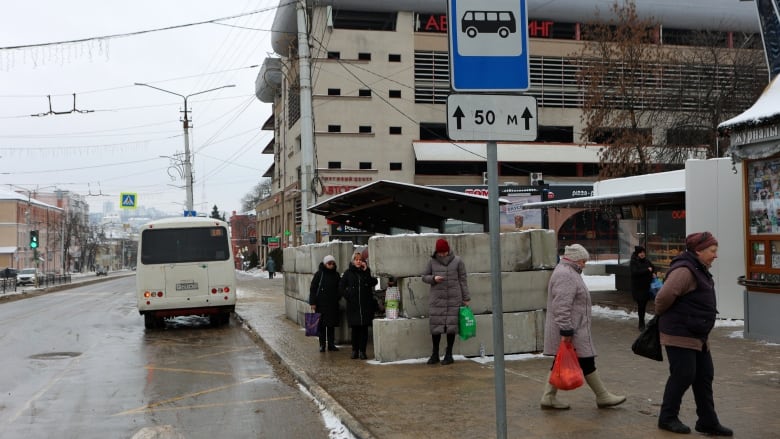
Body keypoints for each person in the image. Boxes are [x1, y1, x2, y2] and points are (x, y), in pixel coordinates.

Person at [654, 232, 732, 436]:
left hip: (697, 334)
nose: (715, 255)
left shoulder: (699, 268)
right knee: (683, 375)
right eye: (712, 251)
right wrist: (670, 317)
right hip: (680, 333)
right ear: (698, 251)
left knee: (704, 376)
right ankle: (667, 418)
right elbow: (662, 298)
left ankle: (707, 421)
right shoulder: (684, 271)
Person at [540, 243, 626, 410]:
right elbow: (562, 305)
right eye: (582, 261)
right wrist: (566, 329)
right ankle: (602, 396)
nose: (584, 264)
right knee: (586, 361)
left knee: (565, 361)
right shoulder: (566, 274)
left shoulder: (569, 272)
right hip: (572, 329)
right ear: (574, 260)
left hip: (575, 328)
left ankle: (548, 396)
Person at [421, 238, 471, 366]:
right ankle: (435, 354)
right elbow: (424, 277)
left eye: (444, 252)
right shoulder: (432, 261)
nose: (442, 254)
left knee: (451, 327)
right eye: (440, 252)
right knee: (436, 327)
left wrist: (466, 298)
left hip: (454, 298)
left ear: (448, 250)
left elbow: (463, 280)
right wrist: (433, 278)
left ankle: (449, 355)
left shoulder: (458, 261)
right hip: (437, 299)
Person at [339, 250, 378, 359]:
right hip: (353, 306)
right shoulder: (348, 273)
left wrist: (366, 271)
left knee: (364, 330)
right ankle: (354, 350)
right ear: (353, 261)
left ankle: (362, 351)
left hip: (365, 305)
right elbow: (341, 287)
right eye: (356, 260)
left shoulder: (366, 272)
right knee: (355, 330)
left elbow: (373, 282)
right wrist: (348, 295)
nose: (358, 261)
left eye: (360, 260)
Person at [309, 255, 342, 353]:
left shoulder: (336, 275)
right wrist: (313, 302)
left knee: (331, 325)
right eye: (329, 263)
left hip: (332, 304)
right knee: (321, 326)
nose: (331, 265)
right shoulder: (319, 274)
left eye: (332, 263)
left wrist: (337, 297)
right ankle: (322, 345)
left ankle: (331, 344)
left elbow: (339, 288)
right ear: (325, 264)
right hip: (321, 304)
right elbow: (313, 289)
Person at [630, 245, 655, 331]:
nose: (642, 254)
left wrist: (653, 273)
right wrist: (647, 270)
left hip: (646, 287)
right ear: (637, 253)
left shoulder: (647, 261)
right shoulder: (633, 262)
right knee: (641, 306)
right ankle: (641, 323)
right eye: (640, 252)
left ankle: (643, 322)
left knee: (644, 305)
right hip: (638, 288)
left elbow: (653, 267)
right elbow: (635, 272)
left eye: (643, 252)